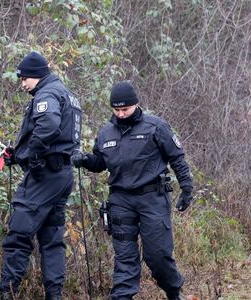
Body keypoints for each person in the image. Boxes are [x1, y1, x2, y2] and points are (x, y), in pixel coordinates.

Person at [72, 81, 192, 300]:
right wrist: (85, 160)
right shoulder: (106, 133)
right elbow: (100, 163)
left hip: (152, 198)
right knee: (124, 257)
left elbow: (177, 158)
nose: (121, 114)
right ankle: (121, 296)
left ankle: (174, 291)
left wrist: (186, 188)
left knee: (157, 256)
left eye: (125, 109)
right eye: (116, 110)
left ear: (136, 104)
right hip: (120, 200)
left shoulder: (156, 126)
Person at [0, 51, 83, 300]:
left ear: (36, 75)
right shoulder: (65, 93)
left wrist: (33, 155)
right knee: (52, 239)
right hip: (62, 174)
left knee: (18, 233)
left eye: (24, 78)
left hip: (44, 176)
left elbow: (48, 125)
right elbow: (58, 137)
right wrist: (19, 155)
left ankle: (7, 292)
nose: (23, 84)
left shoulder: (47, 93)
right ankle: (54, 295)